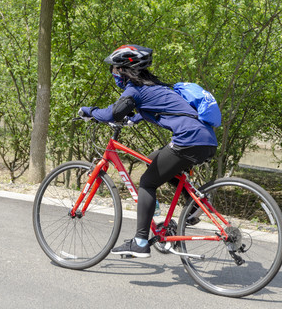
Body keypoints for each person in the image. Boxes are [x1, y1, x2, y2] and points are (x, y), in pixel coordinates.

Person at [78, 44, 218, 258]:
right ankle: (194, 203)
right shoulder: (155, 88)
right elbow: (147, 111)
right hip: (206, 140)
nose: (113, 73)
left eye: (114, 69)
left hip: (188, 139)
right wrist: (132, 120)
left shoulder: (135, 89)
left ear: (124, 69)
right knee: (153, 159)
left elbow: (113, 113)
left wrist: (89, 111)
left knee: (147, 182)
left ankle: (140, 241)